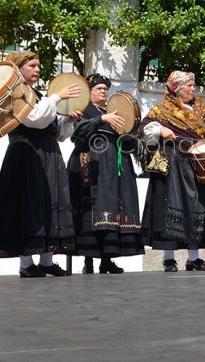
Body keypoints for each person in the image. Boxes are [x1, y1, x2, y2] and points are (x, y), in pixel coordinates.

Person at [0, 51, 81, 277]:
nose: (37, 69)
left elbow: (54, 131)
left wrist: (67, 120)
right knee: (27, 203)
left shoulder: (36, 94)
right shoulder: (14, 94)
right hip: (26, 153)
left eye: (38, 65)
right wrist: (57, 96)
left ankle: (46, 261)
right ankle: (26, 263)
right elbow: (35, 119)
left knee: (50, 201)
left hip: (48, 151)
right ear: (18, 68)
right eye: (32, 65)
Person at [139, 70, 205, 272]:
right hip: (173, 163)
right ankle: (168, 258)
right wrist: (160, 130)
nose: (193, 88)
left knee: (198, 208)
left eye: (193, 85)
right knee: (169, 207)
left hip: (196, 164)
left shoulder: (200, 108)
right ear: (177, 88)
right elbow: (142, 129)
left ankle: (193, 258)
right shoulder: (161, 109)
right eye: (189, 85)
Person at [67, 74, 144, 274]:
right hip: (91, 164)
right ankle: (89, 262)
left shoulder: (114, 110)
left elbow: (127, 139)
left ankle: (107, 260)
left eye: (105, 88)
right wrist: (101, 119)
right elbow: (78, 132)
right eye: (98, 88)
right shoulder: (82, 109)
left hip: (113, 166)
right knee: (91, 209)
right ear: (89, 91)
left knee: (113, 208)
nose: (103, 91)